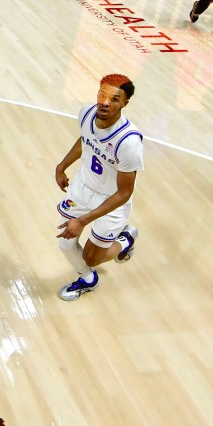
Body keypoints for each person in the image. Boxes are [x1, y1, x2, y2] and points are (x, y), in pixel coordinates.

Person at [54, 73, 142, 301]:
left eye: (114, 99)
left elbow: (124, 193)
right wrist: (62, 166)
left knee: (93, 258)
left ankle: (125, 240)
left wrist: (83, 221)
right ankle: (87, 279)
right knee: (66, 244)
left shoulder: (129, 142)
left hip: (111, 201)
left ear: (125, 103)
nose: (105, 102)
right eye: (102, 94)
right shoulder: (87, 114)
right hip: (83, 187)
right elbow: (85, 140)